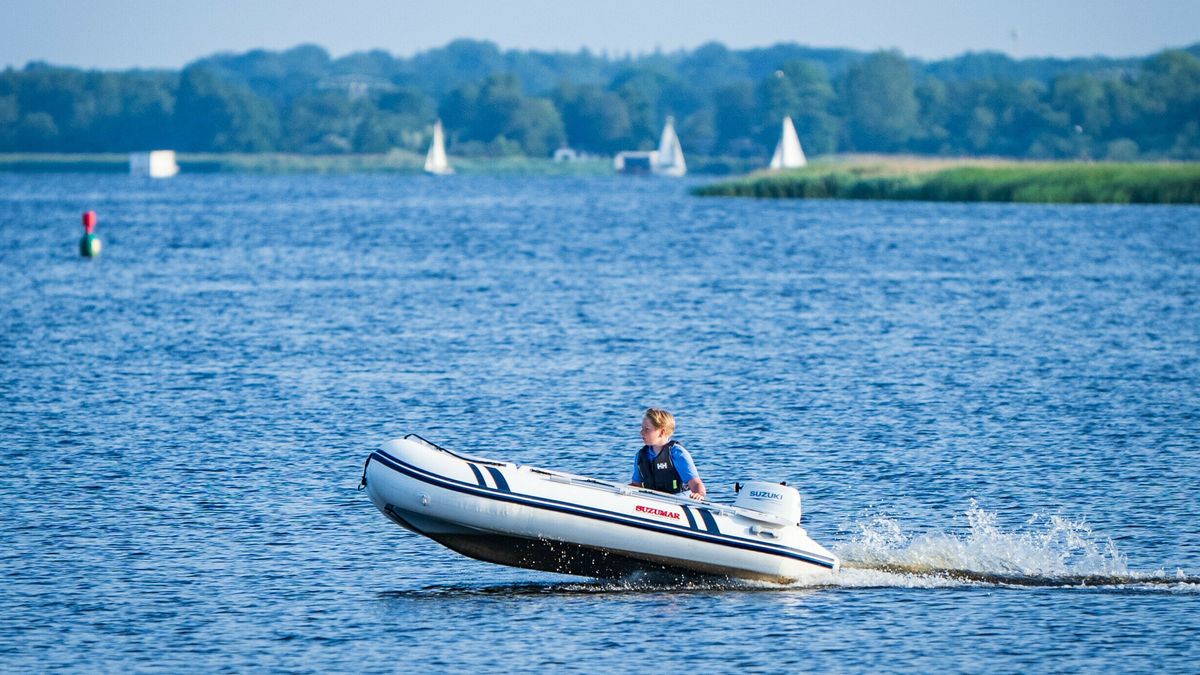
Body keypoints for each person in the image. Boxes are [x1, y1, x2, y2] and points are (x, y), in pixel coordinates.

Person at [629, 408, 706, 500]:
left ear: (662, 432)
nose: (641, 432)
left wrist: (698, 494)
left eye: (647, 429)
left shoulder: (677, 453)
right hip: (652, 501)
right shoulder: (641, 456)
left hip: (677, 501)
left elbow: (696, 484)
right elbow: (635, 485)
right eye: (642, 428)